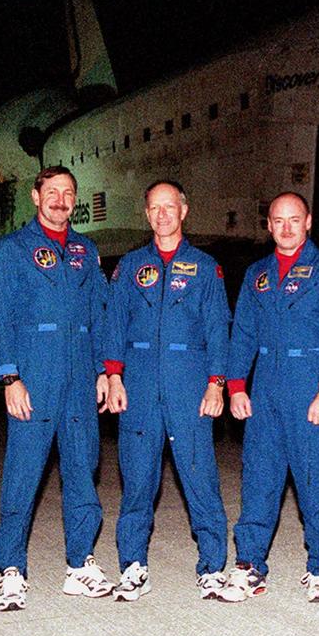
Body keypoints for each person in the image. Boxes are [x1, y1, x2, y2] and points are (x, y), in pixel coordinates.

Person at [0, 166, 113, 611]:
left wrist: (103, 369)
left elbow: (99, 312)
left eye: (68, 192)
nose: (61, 199)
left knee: (82, 471)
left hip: (80, 379)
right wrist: (10, 377)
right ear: (36, 198)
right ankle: (12, 570)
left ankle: (80, 565)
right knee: (23, 474)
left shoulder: (85, 249)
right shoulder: (12, 250)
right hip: (33, 379)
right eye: (52, 192)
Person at [217, 192, 319, 604]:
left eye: (295, 219)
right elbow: (242, 334)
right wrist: (236, 386)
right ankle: (250, 565)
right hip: (266, 390)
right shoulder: (257, 274)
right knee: (259, 479)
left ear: (308, 222)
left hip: (311, 387)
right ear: (269, 225)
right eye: (278, 220)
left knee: (315, 483)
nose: (287, 227)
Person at [101, 180, 231, 601]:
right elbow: (114, 324)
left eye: (169, 206)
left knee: (200, 479)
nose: (162, 214)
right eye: (154, 208)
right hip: (137, 387)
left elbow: (218, 330)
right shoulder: (129, 266)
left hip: (189, 386)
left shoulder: (206, 267)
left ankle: (212, 566)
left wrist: (217, 383)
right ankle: (133, 565)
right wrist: (115, 376)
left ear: (184, 210)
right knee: (137, 482)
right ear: (146, 214)